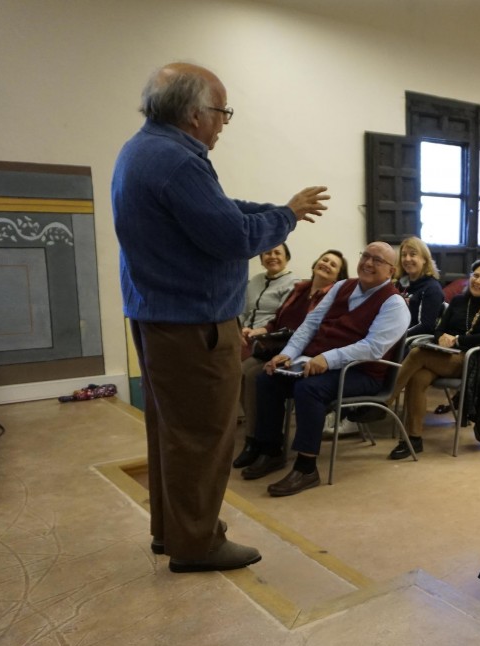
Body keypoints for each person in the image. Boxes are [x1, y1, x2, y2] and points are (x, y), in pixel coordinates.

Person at [114, 62, 328, 572]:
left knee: (172, 432)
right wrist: (288, 216)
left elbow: (221, 211)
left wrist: (276, 210)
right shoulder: (181, 161)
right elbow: (233, 237)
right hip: (194, 323)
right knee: (203, 437)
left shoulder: (142, 149)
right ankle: (198, 544)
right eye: (222, 110)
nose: (225, 121)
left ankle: (174, 531)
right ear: (194, 114)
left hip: (158, 314)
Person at [241, 242, 410, 497]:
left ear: (391, 270)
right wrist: (286, 354)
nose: (368, 263)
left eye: (377, 260)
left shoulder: (394, 304)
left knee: (309, 388)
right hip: (320, 361)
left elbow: (373, 348)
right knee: (268, 378)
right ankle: (271, 450)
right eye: (365, 256)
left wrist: (326, 359)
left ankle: (306, 467)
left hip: (364, 373)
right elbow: (311, 323)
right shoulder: (343, 286)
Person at [234, 250, 346, 468]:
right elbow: (278, 320)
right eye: (324, 259)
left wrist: (289, 351)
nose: (326, 264)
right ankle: (254, 439)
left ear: (338, 276)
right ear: (315, 263)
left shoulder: (332, 297)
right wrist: (262, 330)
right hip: (279, 345)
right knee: (240, 370)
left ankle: (258, 441)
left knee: (255, 374)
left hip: (301, 352)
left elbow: (316, 332)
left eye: (333, 265)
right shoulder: (301, 289)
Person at [388, 259, 480, 459]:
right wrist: (441, 337)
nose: (478, 281)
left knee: (417, 353)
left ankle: (385, 400)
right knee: (418, 377)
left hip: (467, 360)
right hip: (442, 356)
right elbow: (439, 328)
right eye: (475, 276)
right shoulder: (458, 301)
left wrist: (457, 340)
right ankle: (413, 439)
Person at [239, 244, 295, 355]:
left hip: (266, 338)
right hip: (242, 334)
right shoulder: (255, 279)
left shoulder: (293, 283)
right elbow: (242, 310)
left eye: (277, 253)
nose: (272, 256)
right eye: (267, 253)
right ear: (261, 260)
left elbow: (281, 320)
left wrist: (255, 332)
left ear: (287, 258)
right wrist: (237, 330)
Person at [394, 236, 444, 337]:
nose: (407, 259)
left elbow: (426, 326)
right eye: (404, 255)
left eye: (413, 254)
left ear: (424, 259)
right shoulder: (400, 283)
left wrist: (396, 337)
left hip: (410, 341)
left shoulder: (432, 289)